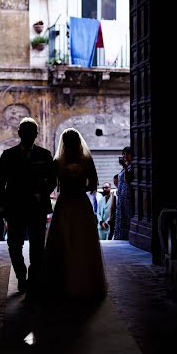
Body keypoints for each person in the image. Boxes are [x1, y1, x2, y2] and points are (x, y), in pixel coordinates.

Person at [44, 128, 107, 301]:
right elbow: (92, 184)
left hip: (71, 202)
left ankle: (67, 282)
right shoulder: (76, 161)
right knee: (72, 239)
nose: (71, 144)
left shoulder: (60, 161)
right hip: (73, 203)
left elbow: (93, 183)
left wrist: (72, 189)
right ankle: (76, 281)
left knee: (75, 239)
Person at [0, 117, 56, 296]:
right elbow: (0, 182)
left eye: (32, 132)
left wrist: (42, 193)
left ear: (36, 135)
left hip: (37, 207)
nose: (29, 135)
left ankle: (33, 278)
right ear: (19, 133)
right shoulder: (8, 155)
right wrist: (0, 205)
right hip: (14, 207)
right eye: (25, 132)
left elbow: (52, 180)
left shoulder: (44, 155)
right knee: (14, 244)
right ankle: (21, 275)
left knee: (37, 245)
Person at [114, 146, 133, 240]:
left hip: (127, 196)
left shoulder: (132, 166)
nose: (124, 156)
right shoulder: (126, 166)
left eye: (126, 154)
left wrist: (125, 166)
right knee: (121, 216)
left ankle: (128, 237)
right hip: (122, 195)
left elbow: (127, 180)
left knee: (127, 217)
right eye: (123, 154)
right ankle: (120, 236)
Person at [108, 173, 118, 240]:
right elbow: (111, 206)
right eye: (114, 182)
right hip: (115, 213)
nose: (115, 184)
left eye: (116, 182)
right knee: (111, 230)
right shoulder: (114, 191)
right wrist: (110, 217)